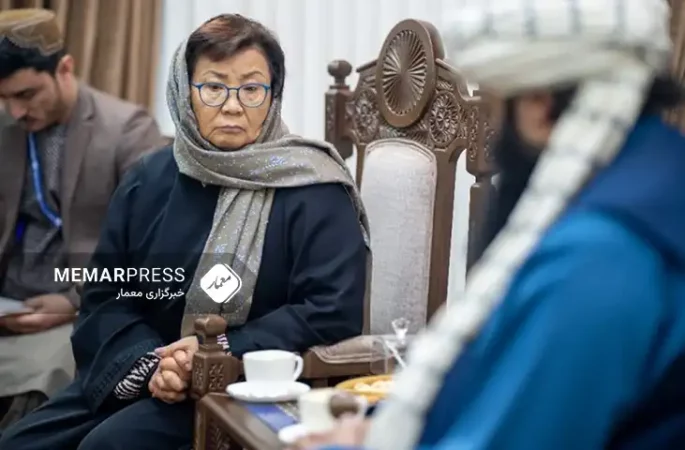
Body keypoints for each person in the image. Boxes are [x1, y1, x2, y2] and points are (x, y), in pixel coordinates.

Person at [298, 0, 685, 449]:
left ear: (539, 106)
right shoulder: (655, 178)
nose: (493, 139)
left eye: (495, 113)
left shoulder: (600, 254)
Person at [0, 13, 369, 450]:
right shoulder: (149, 179)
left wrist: (216, 350)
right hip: (138, 373)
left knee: (109, 446)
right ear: (184, 90)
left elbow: (330, 310)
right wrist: (152, 367)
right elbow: (106, 294)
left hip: (245, 384)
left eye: (252, 89)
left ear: (274, 95)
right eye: (213, 87)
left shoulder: (313, 185)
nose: (232, 106)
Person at [0, 8, 164, 430]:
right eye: (4, 99)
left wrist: (72, 302)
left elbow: (150, 248)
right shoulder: (5, 127)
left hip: (80, 306)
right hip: (9, 300)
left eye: (26, 94)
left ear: (65, 69)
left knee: (42, 382)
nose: (15, 111)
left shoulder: (127, 130)